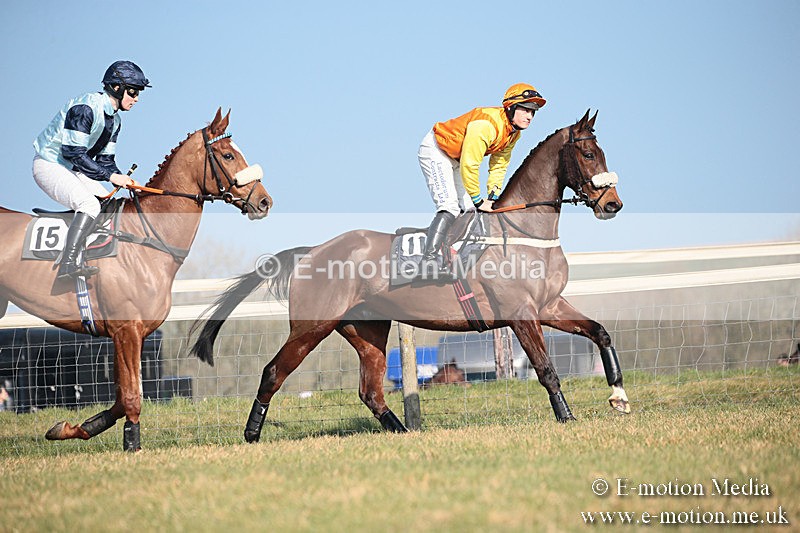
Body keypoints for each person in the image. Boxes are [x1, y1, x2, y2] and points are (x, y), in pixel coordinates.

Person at [32, 60, 150, 280]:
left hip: (73, 169)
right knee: (89, 205)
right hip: (49, 164)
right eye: (133, 92)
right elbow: (73, 153)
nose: (136, 99)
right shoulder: (85, 108)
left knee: (109, 203)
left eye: (138, 93)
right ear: (117, 88)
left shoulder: (115, 121)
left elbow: (105, 161)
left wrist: (124, 180)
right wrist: (113, 176)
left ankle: (86, 252)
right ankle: (67, 265)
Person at [416, 83, 546, 277]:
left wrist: (493, 196)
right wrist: (478, 199)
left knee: (469, 212)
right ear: (511, 107)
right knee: (450, 207)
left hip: (457, 159)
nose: (530, 116)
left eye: (533, 112)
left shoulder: (513, 134)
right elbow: (470, 164)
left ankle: (452, 259)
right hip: (437, 151)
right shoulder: (486, 125)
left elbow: (499, 164)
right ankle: (428, 262)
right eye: (526, 110)